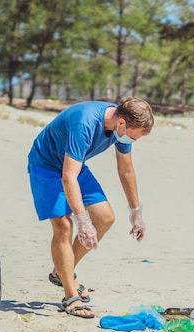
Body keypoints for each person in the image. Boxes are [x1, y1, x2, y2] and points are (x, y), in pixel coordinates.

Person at [27, 97, 154, 319]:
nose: (131, 141)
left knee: (105, 218)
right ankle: (70, 296)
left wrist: (136, 213)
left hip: (74, 167)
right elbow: (68, 177)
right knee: (64, 226)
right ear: (122, 123)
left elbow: (126, 170)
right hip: (46, 166)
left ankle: (61, 272)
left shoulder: (120, 128)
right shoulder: (84, 123)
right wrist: (83, 221)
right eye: (133, 137)